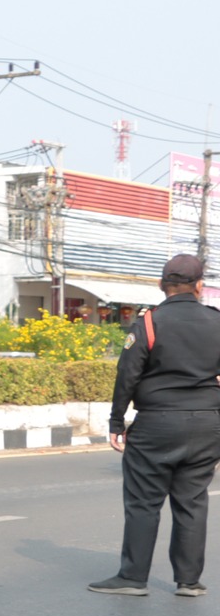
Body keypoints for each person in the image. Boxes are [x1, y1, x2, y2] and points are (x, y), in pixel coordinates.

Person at [88, 253, 220, 598]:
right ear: (199, 286)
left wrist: (117, 420)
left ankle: (133, 577)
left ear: (162, 285)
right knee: (192, 501)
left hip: (157, 423)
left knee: (143, 502)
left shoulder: (149, 322)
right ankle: (189, 581)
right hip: (207, 424)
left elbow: (127, 373)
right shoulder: (216, 321)